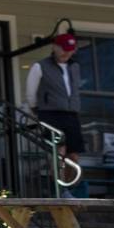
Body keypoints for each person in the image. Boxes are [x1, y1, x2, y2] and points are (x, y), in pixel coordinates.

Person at [26, 33, 84, 191]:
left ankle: (70, 189)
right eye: (64, 49)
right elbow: (31, 93)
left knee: (73, 154)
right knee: (59, 152)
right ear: (54, 47)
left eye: (70, 50)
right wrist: (36, 109)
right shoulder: (40, 66)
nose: (67, 53)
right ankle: (59, 189)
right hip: (50, 113)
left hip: (71, 114)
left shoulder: (75, 67)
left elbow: (75, 90)